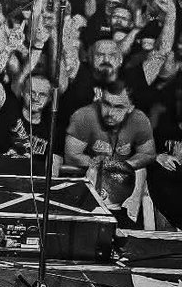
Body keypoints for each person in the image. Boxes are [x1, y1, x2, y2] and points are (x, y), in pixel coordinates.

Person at [64, 79, 156, 226]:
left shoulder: (139, 119)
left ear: (130, 108)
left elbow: (148, 154)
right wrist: (99, 165)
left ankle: (126, 223)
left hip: (119, 178)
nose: (110, 113)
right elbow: (71, 155)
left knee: (141, 170)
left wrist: (120, 166)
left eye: (119, 107)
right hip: (89, 172)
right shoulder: (84, 116)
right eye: (106, 104)